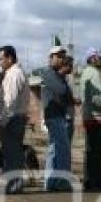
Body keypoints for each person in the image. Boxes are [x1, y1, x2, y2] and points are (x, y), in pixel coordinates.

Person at [0, 45, 30, 195]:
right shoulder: (11, 73)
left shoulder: (14, 74)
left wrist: (3, 120)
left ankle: (14, 185)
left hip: (12, 119)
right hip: (13, 118)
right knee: (11, 153)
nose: (0, 63)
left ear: (10, 58)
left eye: (1, 59)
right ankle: (11, 184)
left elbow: (11, 100)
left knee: (12, 154)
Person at [39, 47, 75, 191]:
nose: (61, 59)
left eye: (62, 56)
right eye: (58, 56)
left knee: (53, 151)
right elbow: (62, 91)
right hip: (54, 117)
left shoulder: (56, 75)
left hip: (57, 116)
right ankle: (62, 182)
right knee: (63, 150)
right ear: (51, 57)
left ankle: (50, 183)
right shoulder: (49, 74)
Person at [81, 48, 101, 191]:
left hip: (89, 116)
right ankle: (97, 182)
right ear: (92, 58)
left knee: (90, 151)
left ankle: (89, 180)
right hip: (98, 117)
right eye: (99, 57)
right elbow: (99, 97)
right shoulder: (95, 74)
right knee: (98, 152)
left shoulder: (85, 73)